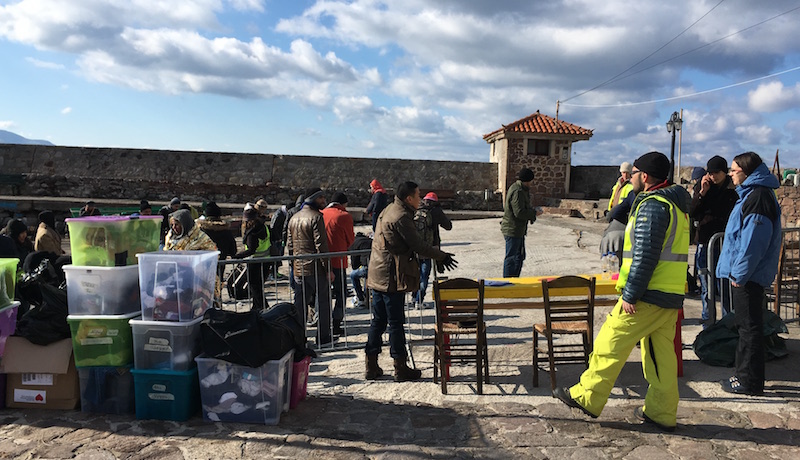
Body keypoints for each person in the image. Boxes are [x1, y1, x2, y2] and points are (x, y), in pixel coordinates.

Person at [553, 151, 690, 433]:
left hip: (647, 295)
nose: (631, 179)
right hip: (670, 294)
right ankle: (661, 411)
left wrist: (630, 294)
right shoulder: (676, 205)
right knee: (660, 357)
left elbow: (645, 256)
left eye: (635, 173)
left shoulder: (653, 206)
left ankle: (587, 396)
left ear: (645, 176)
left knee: (609, 342)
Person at [365, 181, 457, 382]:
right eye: (417, 195)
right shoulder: (401, 216)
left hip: (378, 273)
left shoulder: (391, 208)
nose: (420, 198)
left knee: (378, 321)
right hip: (390, 276)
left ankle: (371, 365)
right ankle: (400, 367)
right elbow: (418, 245)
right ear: (409, 198)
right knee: (395, 323)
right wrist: (441, 256)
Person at [716, 152, 781, 396]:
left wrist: (739, 274)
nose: (731, 174)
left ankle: (749, 381)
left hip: (749, 277)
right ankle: (744, 375)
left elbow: (753, 243)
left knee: (749, 328)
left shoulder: (758, 197)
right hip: (746, 275)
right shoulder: (753, 195)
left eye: (734, 170)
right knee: (746, 326)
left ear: (746, 171)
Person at [690, 155, 738, 328]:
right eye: (710, 172)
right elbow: (692, 211)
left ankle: (727, 324)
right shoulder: (703, 187)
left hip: (725, 243)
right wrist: (702, 193)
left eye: (716, 172)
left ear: (724, 172)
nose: (713, 176)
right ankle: (708, 323)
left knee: (724, 285)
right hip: (705, 241)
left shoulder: (732, 190)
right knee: (706, 285)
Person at [288, 187, 334, 346]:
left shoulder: (294, 218)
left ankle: (299, 339)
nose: (324, 200)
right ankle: (324, 338)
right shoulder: (316, 217)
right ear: (314, 198)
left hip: (299, 268)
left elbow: (290, 245)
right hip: (316, 269)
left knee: (299, 305)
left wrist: (293, 265)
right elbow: (321, 245)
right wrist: (328, 269)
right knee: (323, 302)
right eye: (321, 198)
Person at [322, 192, 355, 335]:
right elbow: (351, 240)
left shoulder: (320, 213)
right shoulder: (344, 216)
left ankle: (322, 324)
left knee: (322, 294)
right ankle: (336, 323)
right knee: (341, 293)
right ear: (343, 203)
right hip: (339, 260)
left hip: (321, 261)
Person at [501, 168, 543, 277]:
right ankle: (508, 282)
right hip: (513, 230)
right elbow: (519, 212)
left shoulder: (521, 189)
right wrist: (534, 213)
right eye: (531, 181)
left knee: (519, 256)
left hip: (518, 230)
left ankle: (515, 280)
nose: (531, 183)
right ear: (527, 180)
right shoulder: (518, 191)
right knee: (512, 258)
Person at [413, 191, 452, 309]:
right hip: (430, 247)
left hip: (415, 247)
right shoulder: (435, 210)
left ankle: (414, 297)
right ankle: (419, 301)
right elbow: (448, 226)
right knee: (425, 275)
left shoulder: (417, 208)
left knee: (416, 274)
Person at [233, 208, 271, 311]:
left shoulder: (252, 232)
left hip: (255, 262)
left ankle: (263, 308)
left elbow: (251, 250)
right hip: (266, 261)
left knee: (255, 288)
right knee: (258, 287)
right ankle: (257, 308)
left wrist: (237, 256)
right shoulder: (264, 227)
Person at [348, 232, 372, 309]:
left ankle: (361, 297)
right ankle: (365, 295)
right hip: (375, 266)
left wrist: (355, 267)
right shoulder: (370, 240)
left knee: (353, 275)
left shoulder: (354, 242)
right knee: (367, 277)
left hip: (366, 267)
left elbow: (354, 262)